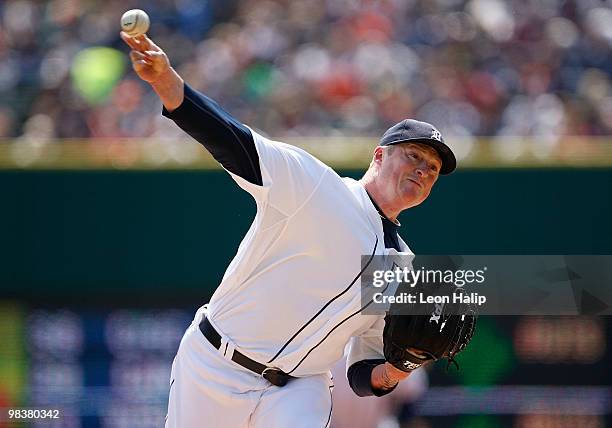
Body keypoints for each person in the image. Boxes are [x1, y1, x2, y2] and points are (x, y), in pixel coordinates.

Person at [120, 31, 456, 428]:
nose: (422, 169)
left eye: (432, 169)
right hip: (216, 364)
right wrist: (166, 82)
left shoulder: (404, 268)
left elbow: (361, 373)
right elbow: (233, 140)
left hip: (300, 388)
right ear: (379, 156)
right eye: (414, 155)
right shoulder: (317, 186)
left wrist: (399, 369)